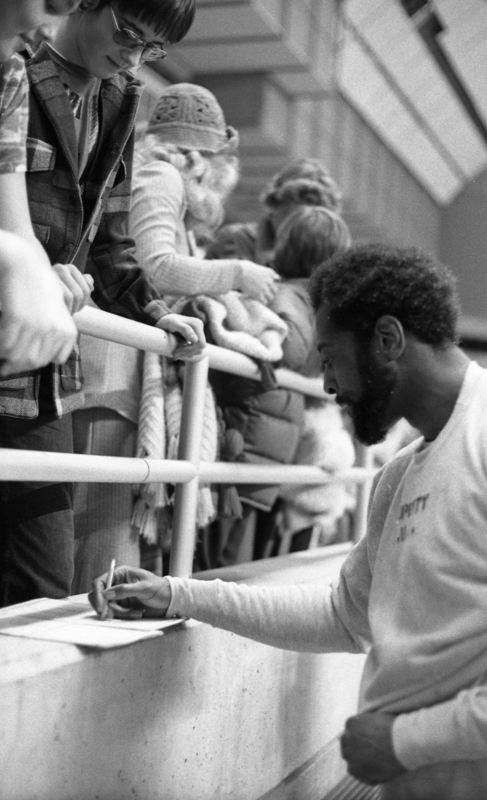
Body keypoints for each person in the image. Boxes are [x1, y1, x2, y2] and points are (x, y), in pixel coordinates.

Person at [91, 244, 487, 799]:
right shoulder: (400, 474)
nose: (327, 386)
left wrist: (407, 740)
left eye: (330, 358)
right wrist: (179, 595)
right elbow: (343, 615)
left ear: (388, 340)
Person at [0, 0, 206, 608]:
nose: (132, 54)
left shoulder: (120, 98)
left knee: (42, 581)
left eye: (149, 47)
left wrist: (155, 313)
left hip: (44, 369)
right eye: (126, 32)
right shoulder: (15, 64)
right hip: (29, 331)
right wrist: (31, 266)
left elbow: (111, 239)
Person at [71, 82, 279, 590]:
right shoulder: (163, 177)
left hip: (116, 376)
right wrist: (237, 274)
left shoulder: (151, 174)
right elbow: (153, 266)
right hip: (115, 375)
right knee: (105, 538)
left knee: (109, 531)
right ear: (204, 155)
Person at [203, 207, 354, 567]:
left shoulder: (291, 296)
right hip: (259, 437)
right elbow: (296, 348)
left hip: (256, 435)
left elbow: (287, 346)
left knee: (229, 555)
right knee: (234, 557)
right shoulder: (305, 303)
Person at [0, 0, 83, 378]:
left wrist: (41, 273)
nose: (52, 31)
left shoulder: (11, 73)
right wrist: (16, 259)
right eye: (56, 2)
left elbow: (16, 226)